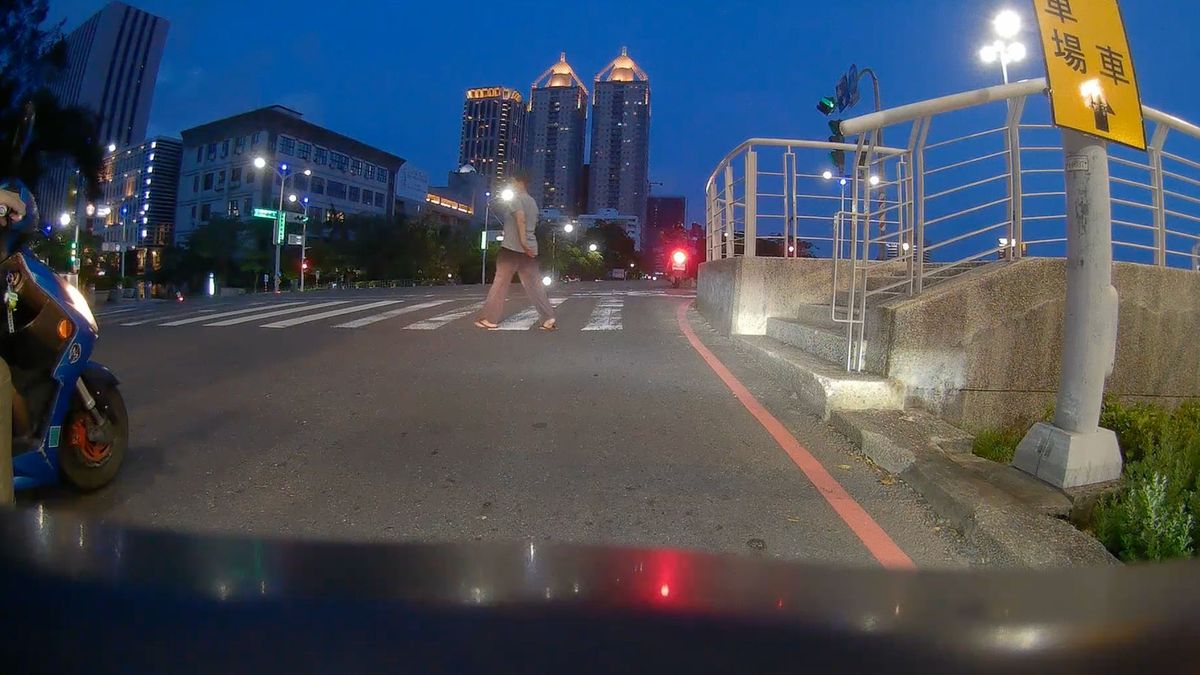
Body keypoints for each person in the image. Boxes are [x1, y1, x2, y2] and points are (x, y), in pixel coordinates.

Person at [475, 172, 557, 331]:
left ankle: (490, 318)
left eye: (512, 181)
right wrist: (527, 245)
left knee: (500, 283)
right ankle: (548, 317)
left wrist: (523, 241)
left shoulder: (516, 199)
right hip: (529, 251)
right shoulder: (532, 202)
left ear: (519, 182)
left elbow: (520, 219)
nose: (511, 184)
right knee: (534, 286)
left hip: (512, 248)